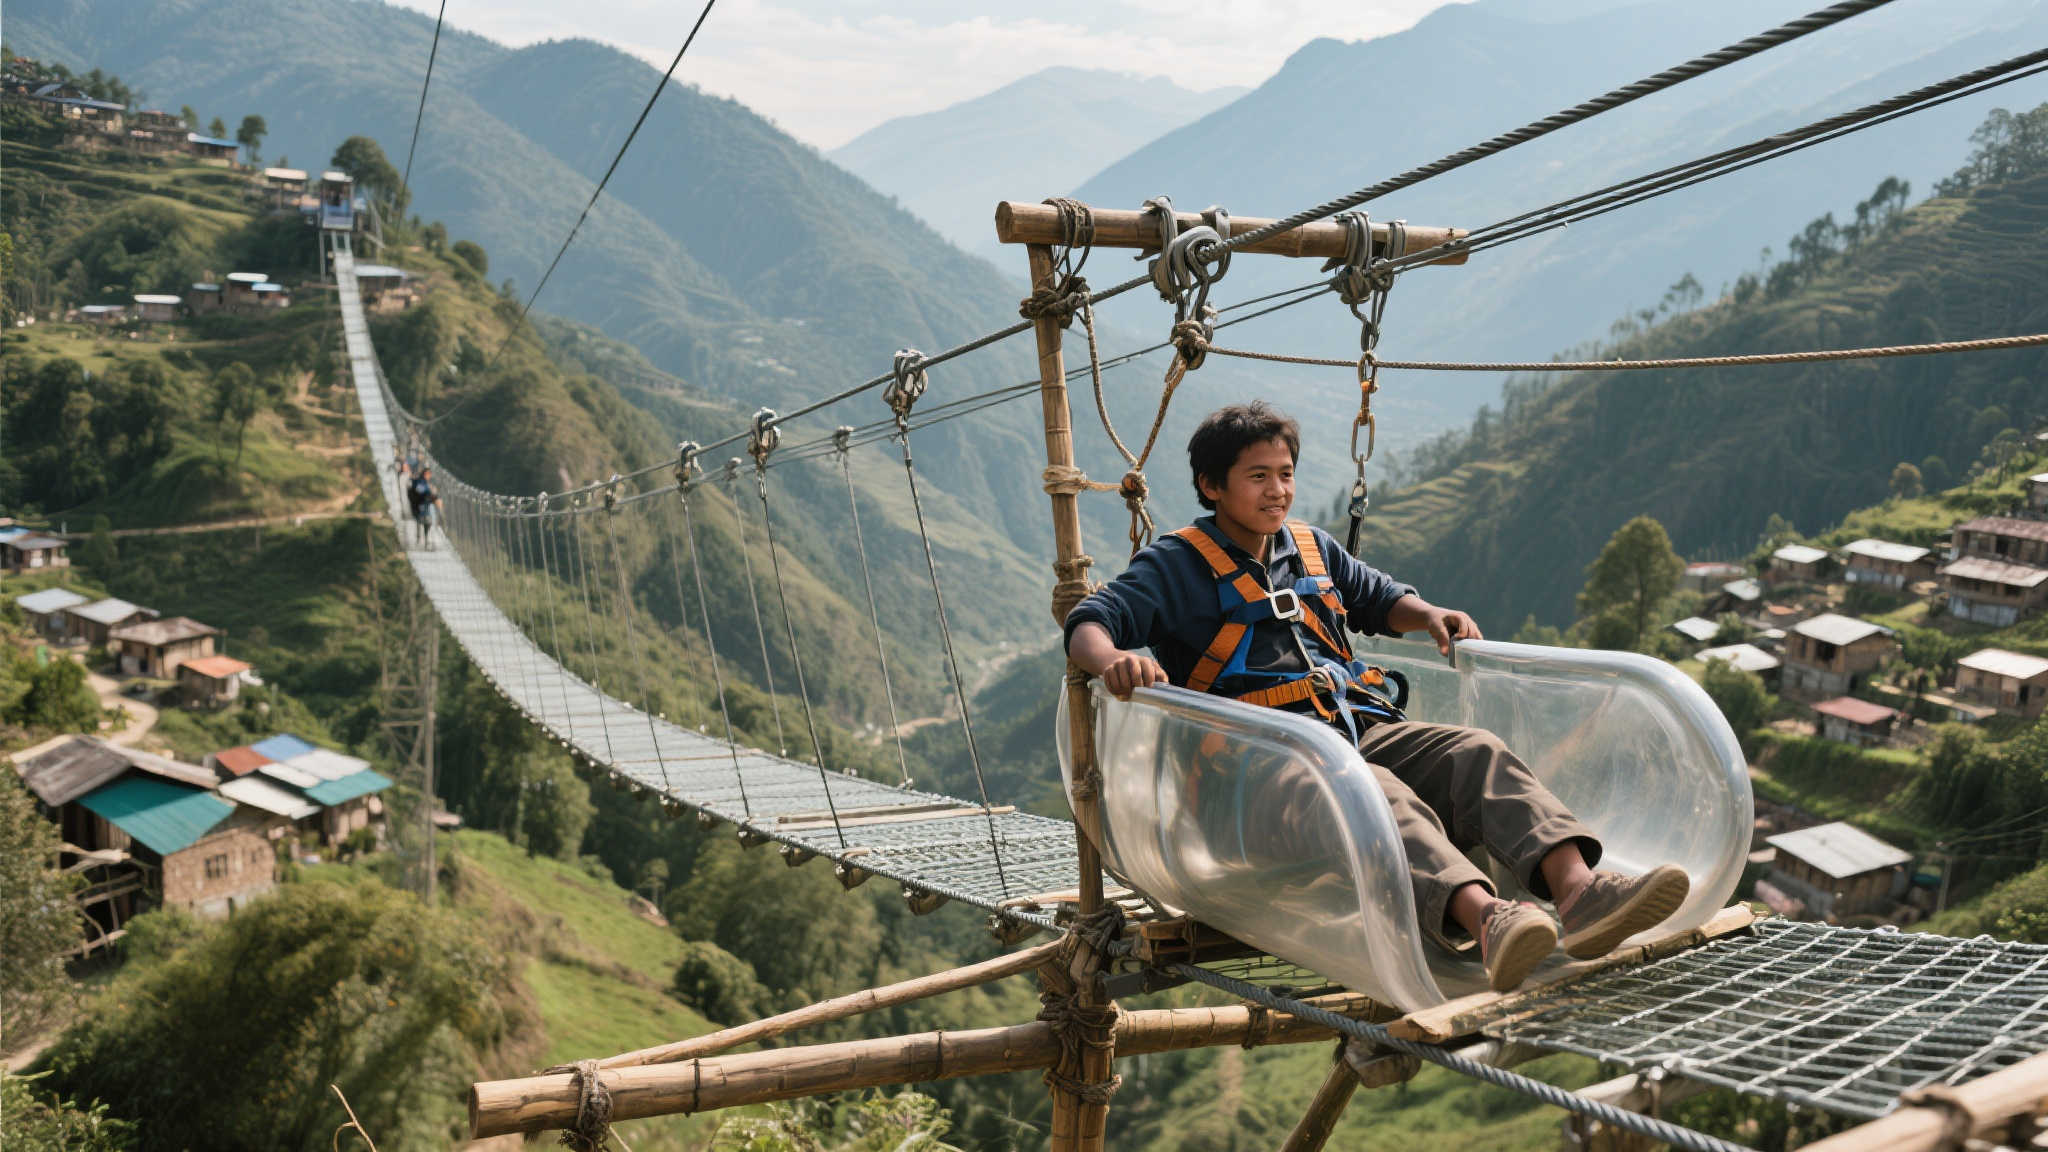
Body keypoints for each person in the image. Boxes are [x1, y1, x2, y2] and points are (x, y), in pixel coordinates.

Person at [1064, 401, 1690, 992]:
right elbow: (1091, 621)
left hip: (1356, 729)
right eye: (1257, 477)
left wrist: (1429, 615)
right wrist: (1114, 659)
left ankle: (1579, 892)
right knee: (1366, 787)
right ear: (1212, 486)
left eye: (1285, 474)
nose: (1277, 491)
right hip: (1257, 774)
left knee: (1474, 751)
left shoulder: (1308, 547)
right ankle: (1487, 920)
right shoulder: (1175, 564)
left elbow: (1379, 598)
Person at [408, 464, 440, 550]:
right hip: (419, 508)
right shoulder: (420, 482)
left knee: (428, 523)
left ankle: (426, 541)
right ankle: (424, 541)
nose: (429, 476)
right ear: (425, 474)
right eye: (428, 474)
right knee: (427, 522)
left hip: (424, 507)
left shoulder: (425, 483)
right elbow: (420, 491)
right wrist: (430, 491)